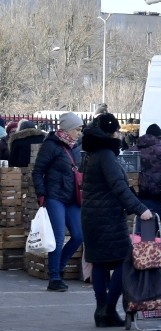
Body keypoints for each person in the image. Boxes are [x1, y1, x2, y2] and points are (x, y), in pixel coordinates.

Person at [81, 113, 152, 327]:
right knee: (125, 261)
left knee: (100, 264)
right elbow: (118, 187)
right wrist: (141, 210)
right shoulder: (105, 155)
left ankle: (101, 311)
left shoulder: (91, 153)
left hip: (92, 216)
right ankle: (108, 310)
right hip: (108, 217)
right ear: (111, 132)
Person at [32, 112, 85, 292]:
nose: (79, 132)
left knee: (78, 235)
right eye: (77, 129)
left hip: (72, 198)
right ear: (68, 129)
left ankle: (59, 267)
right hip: (55, 196)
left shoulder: (75, 147)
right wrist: (41, 194)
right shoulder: (51, 145)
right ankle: (54, 277)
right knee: (58, 237)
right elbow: (37, 171)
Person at [126, 124, 161, 227]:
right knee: (148, 234)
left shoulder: (131, 150)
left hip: (134, 197)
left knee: (139, 233)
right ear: (160, 137)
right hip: (157, 197)